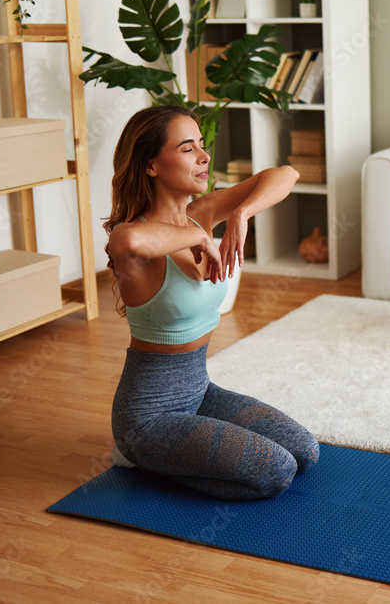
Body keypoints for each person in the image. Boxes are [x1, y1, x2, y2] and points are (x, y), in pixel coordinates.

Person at [104, 105, 319, 500]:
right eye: (188, 149)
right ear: (151, 165)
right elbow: (126, 242)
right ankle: (137, 454)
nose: (204, 156)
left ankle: (168, 455)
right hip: (149, 416)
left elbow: (286, 174)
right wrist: (199, 238)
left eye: (201, 145)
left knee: (304, 450)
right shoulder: (136, 238)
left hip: (200, 392)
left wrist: (243, 211)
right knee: (277, 470)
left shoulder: (200, 213)